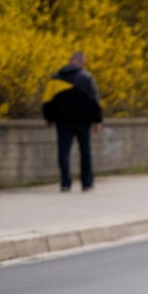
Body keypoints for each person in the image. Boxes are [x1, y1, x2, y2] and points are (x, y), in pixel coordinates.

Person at [43, 51, 103, 192]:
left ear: (70, 60)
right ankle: (87, 183)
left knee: (63, 152)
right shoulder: (87, 78)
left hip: (63, 122)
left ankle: (65, 183)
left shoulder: (56, 78)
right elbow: (94, 101)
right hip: (83, 122)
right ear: (82, 62)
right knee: (85, 151)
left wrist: (49, 118)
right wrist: (97, 121)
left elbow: (47, 101)